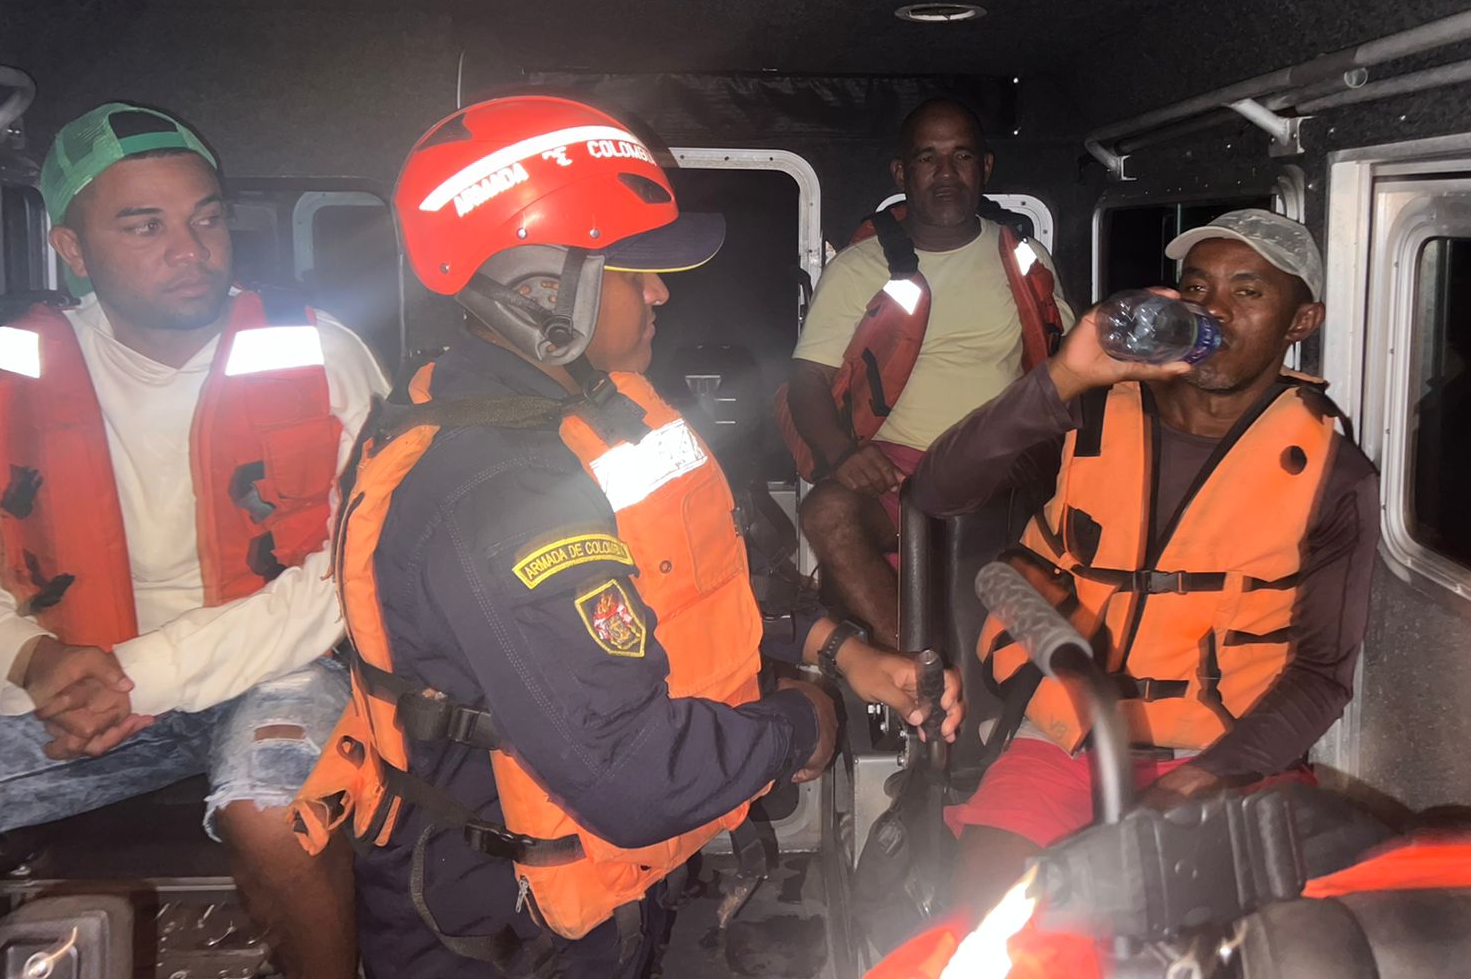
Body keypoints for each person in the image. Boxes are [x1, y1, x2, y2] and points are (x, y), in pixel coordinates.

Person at [290, 96, 965, 979]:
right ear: (540, 292)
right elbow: (636, 777)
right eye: (635, 270)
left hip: (587, 901)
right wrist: (805, 723)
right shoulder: (502, 491)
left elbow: (684, 588)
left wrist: (837, 649)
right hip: (501, 936)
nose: (661, 292)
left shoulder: (579, 414)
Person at [0, 103, 389, 976]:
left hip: (278, 661)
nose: (191, 248)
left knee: (275, 814)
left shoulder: (321, 354)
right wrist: (28, 659)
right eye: (145, 225)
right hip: (76, 671)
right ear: (71, 250)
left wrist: (145, 672)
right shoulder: (7, 369)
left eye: (206, 218)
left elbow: (345, 573)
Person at [909, 209, 1377, 910]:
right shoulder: (1095, 412)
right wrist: (1065, 374)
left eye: (1248, 291)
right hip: (1063, 740)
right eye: (1197, 287)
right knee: (993, 927)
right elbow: (937, 491)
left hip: (1231, 760)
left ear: (1300, 322)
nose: (1213, 309)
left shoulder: (1334, 476)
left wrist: (1201, 779)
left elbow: (1319, 677)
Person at [784, 98, 1074, 646]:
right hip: (899, 469)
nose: (945, 173)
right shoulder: (858, 267)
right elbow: (807, 381)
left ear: (984, 168)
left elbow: (1070, 362)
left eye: (961, 156)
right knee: (825, 511)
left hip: (1004, 464)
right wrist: (844, 455)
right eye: (927, 158)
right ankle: (919, 674)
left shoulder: (1024, 257)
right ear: (902, 172)